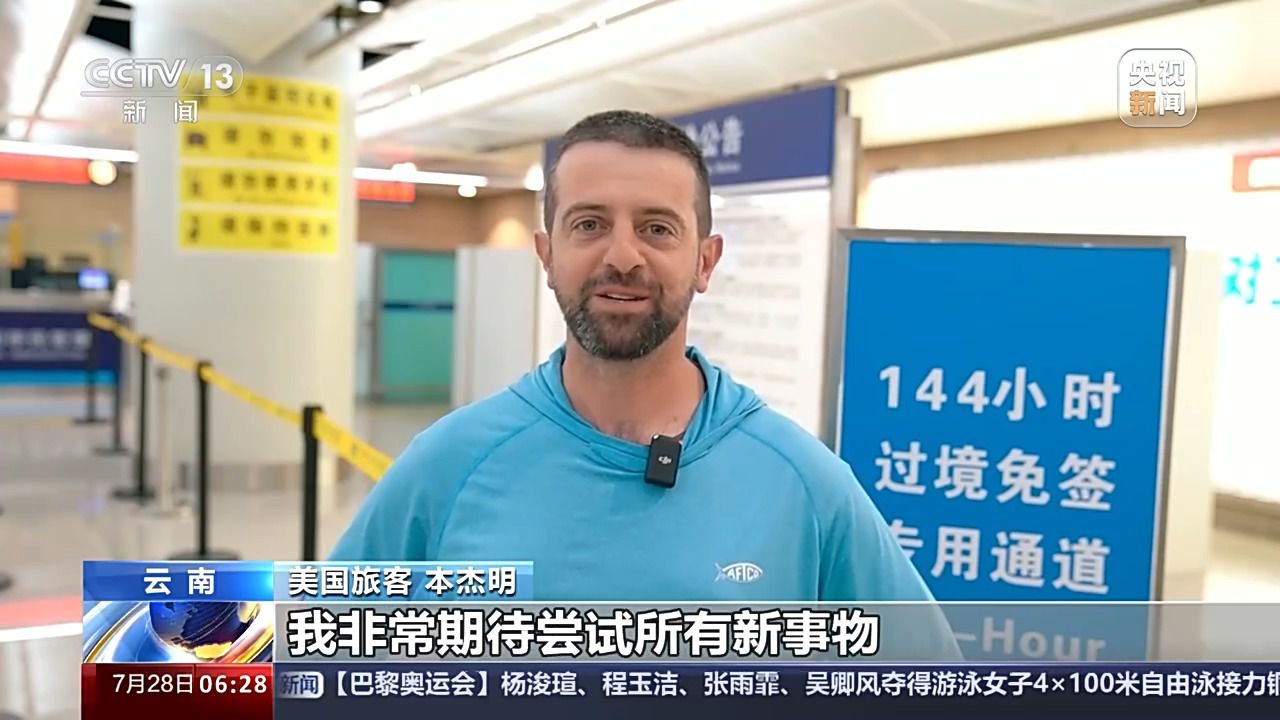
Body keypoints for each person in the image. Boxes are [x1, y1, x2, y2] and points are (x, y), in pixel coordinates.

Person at [329, 110, 948, 620]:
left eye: (656, 228)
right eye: (589, 224)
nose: (622, 256)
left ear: (705, 261)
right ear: (547, 255)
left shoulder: (806, 486)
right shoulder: (449, 466)